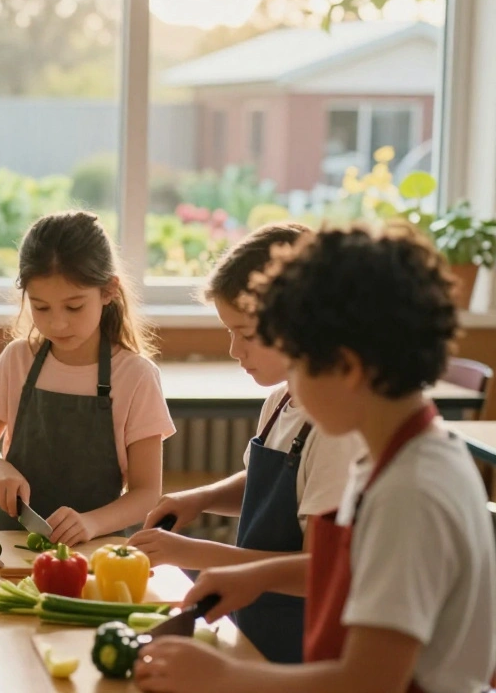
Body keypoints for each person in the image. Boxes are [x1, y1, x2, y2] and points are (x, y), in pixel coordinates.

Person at [135, 224, 496, 693]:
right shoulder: (401, 455)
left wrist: (227, 677)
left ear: (346, 367)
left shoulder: (409, 494)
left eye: (297, 361)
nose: (293, 385)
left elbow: (368, 682)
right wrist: (257, 576)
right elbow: (351, 569)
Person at [128, 222, 363, 663]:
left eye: (247, 334)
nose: (235, 351)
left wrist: (193, 553)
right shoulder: (280, 400)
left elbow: (318, 571)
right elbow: (272, 485)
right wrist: (201, 499)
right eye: (228, 332)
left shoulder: (334, 430)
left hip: (303, 649)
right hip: (256, 627)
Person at [0, 211, 175, 544]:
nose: (57, 324)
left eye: (74, 307)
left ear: (108, 291)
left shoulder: (136, 376)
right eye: (41, 307)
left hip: (96, 548)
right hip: (13, 544)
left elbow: (146, 493)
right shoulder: (18, 360)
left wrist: (89, 523)